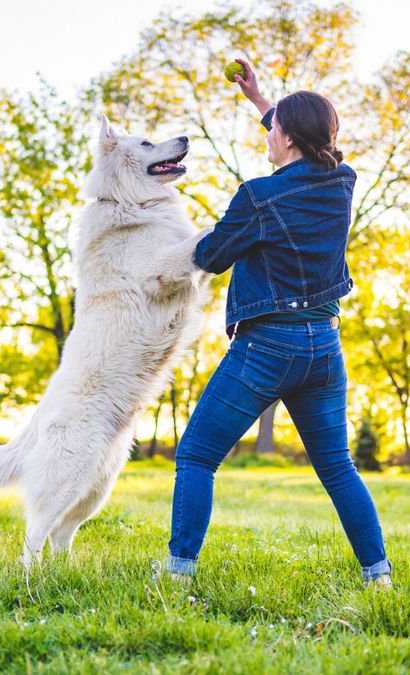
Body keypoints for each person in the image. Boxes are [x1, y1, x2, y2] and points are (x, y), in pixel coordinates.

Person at [159, 58, 393, 588]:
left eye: (275, 130)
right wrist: (265, 105)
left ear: (287, 138)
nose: (269, 138)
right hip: (325, 350)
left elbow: (212, 256)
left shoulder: (257, 198)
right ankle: (378, 575)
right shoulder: (342, 184)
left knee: (196, 455)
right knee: (338, 469)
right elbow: (317, 149)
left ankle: (177, 574)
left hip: (267, 348)